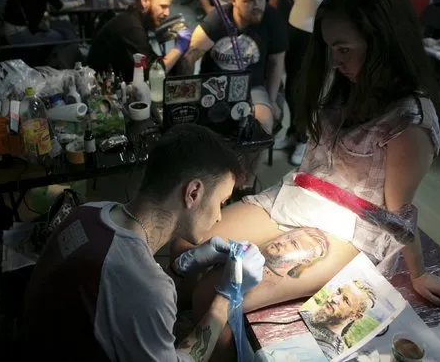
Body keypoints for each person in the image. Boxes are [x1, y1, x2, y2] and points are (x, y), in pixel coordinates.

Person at [172, 0, 440, 361]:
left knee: (216, 294)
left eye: (343, 49)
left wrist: (418, 272)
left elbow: (397, 217)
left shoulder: (409, 120)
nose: (335, 60)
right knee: (184, 248)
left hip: (351, 227)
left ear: (382, 41)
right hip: (299, 195)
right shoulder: (349, 83)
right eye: (330, 48)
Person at [18, 124, 266, 362]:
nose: (220, 216)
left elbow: (120, 295)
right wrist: (226, 297)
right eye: (221, 203)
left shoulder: (88, 211)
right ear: (193, 193)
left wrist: (180, 268)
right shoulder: (145, 287)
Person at [182, 0, 287, 190]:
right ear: (233, 1)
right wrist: (189, 90)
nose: (257, 5)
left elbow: (277, 62)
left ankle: (245, 183)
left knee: (263, 122)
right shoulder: (217, 19)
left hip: (253, 86)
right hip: (216, 85)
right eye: (249, 0)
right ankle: (214, 178)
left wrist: (273, 98)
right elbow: (191, 56)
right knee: (207, 127)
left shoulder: (271, 18)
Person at [274, 0, 342, 166]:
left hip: (312, 32)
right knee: (290, 84)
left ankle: (304, 138)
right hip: (294, 25)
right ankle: (294, 132)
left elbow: (327, 0)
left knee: (304, 88)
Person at [87, 0, 192, 81]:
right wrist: (178, 49)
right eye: (163, 6)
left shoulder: (134, 18)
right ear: (145, 1)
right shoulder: (132, 28)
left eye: (168, 7)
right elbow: (150, 76)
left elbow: (150, 61)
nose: (167, 13)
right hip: (100, 88)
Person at [304, 280, 376, 359]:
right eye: (338, 292)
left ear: (356, 316)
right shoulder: (308, 314)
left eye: (346, 300)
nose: (334, 299)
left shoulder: (328, 353)